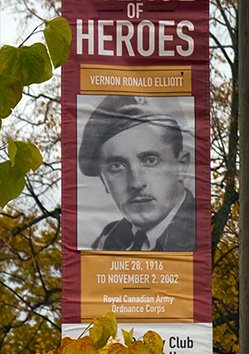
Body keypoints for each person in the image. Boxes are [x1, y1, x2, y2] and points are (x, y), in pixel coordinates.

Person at [79, 95, 195, 251]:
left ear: (181, 165)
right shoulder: (107, 241)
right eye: (117, 166)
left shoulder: (202, 233)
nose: (136, 183)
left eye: (150, 160)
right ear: (103, 181)